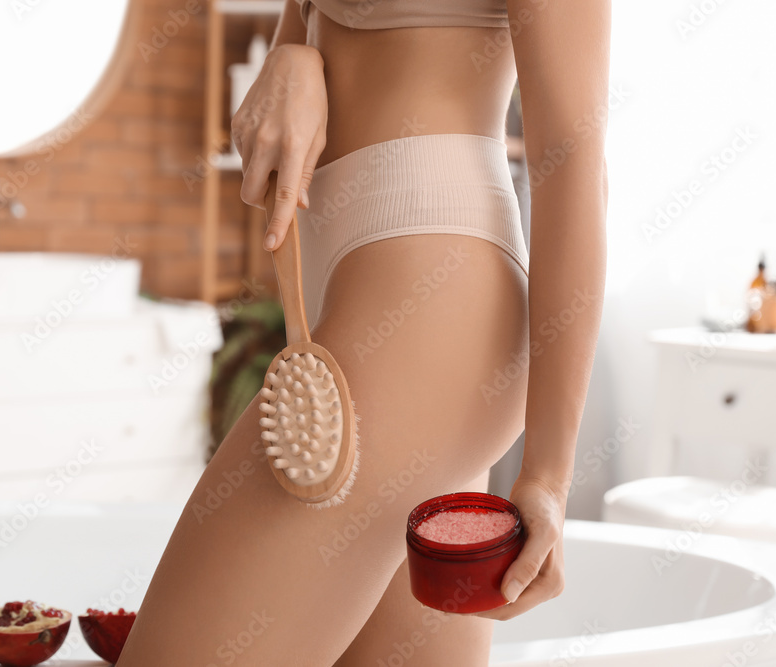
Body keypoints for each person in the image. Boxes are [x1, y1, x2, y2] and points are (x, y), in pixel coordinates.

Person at [121, 0, 609, 664]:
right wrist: (291, 59)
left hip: (432, 299)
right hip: (368, 298)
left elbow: (573, 159)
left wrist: (549, 474)